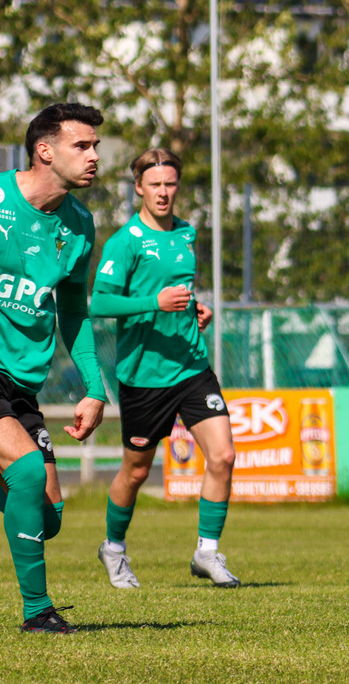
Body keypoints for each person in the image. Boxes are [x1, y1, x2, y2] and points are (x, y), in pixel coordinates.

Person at [90, 148, 240, 589]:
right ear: (139, 187)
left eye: (170, 184)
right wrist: (153, 303)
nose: (163, 192)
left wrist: (196, 310)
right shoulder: (126, 241)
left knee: (224, 456)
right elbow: (100, 303)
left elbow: (179, 291)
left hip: (191, 366)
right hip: (144, 376)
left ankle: (207, 552)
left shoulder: (186, 233)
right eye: (154, 184)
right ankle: (113, 548)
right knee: (136, 471)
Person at [0, 102, 107, 633]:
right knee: (24, 472)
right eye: (81, 146)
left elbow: (75, 312)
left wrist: (95, 387)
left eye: (95, 146)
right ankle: (38, 612)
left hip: (21, 383)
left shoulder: (80, 225)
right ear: (44, 150)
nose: (94, 156)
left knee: (48, 517)